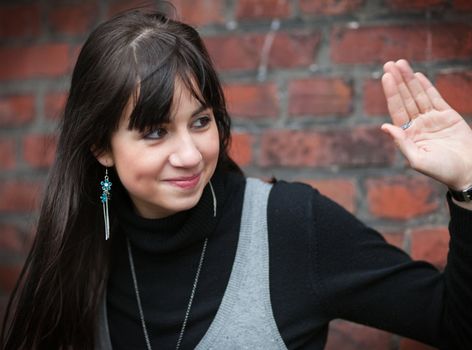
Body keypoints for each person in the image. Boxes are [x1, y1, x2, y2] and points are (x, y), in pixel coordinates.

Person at [1, 8, 472, 350]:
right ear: (101, 147)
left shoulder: (291, 225)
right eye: (155, 131)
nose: (189, 155)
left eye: (201, 122)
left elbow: (455, 325)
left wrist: (469, 184)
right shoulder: (86, 248)